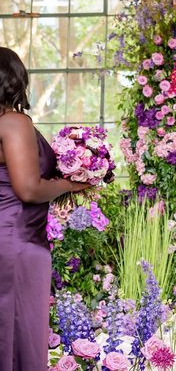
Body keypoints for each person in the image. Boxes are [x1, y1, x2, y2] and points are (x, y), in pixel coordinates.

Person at [0, 47, 88, 371]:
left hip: (10, 238)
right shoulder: (13, 122)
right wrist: (70, 184)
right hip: (18, 241)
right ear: (16, 79)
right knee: (19, 333)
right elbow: (28, 189)